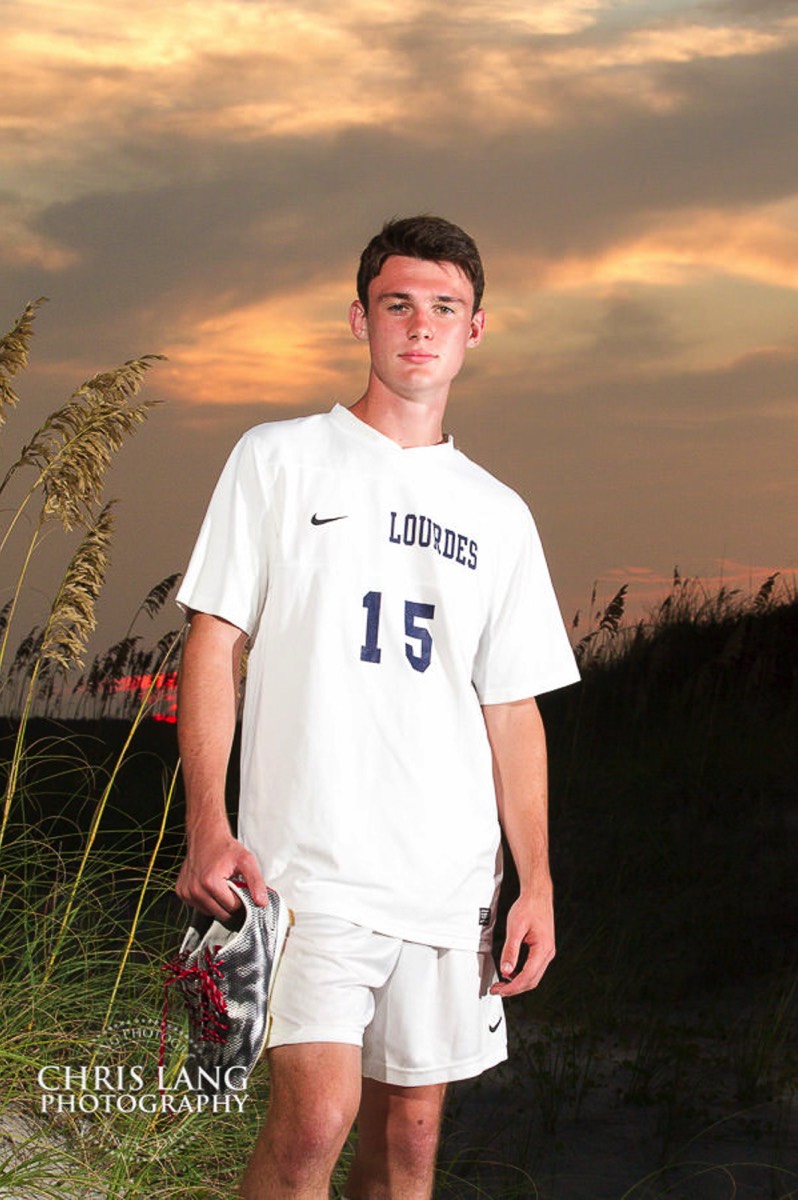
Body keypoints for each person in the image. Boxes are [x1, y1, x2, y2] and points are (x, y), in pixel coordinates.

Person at [175, 215, 579, 1200]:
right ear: (361, 317)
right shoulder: (278, 458)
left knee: (409, 1145)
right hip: (303, 870)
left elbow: (512, 710)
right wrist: (208, 824)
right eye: (399, 304)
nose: (421, 327)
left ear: (476, 329)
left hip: (448, 881)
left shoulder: (499, 515)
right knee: (313, 1121)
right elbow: (213, 645)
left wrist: (536, 881)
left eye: (445, 307)